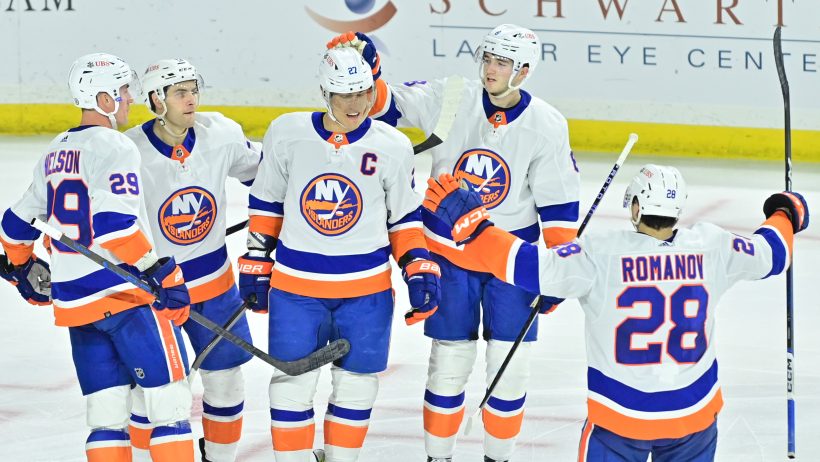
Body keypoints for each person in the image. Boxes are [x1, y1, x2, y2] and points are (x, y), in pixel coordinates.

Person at [422, 166, 809, 461]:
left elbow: (527, 267)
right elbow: (773, 254)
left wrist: (475, 226)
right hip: (693, 416)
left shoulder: (599, 253)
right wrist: (786, 212)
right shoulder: (713, 246)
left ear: (636, 207)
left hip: (619, 419)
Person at [327, 25, 581, 462]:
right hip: (449, 257)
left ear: (524, 70)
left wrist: (556, 268)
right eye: (488, 59)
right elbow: (387, 105)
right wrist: (368, 67)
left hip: (509, 262)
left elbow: (558, 205)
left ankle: (498, 458)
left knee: (510, 372)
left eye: (502, 63)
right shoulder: (452, 96)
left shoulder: (546, 124)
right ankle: (438, 458)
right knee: (448, 365)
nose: (490, 69)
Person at [238, 46, 440, 462]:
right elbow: (267, 200)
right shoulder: (287, 133)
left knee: (357, 386)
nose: (356, 103)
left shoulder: (393, 145)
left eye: (363, 92)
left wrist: (417, 266)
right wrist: (256, 260)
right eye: (345, 94)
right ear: (325, 94)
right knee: (291, 384)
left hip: (366, 292)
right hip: (297, 290)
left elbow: (404, 218)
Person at [0, 53, 195, 461]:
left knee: (106, 418)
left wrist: (22, 267)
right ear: (104, 99)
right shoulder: (115, 145)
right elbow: (114, 226)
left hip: (77, 307)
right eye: (123, 91)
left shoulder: (56, 150)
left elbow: (14, 225)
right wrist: (160, 272)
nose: (130, 99)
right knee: (170, 408)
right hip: (126, 299)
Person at [124, 58, 261, 462]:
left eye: (194, 90)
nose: (191, 100)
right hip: (155, 293)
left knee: (227, 383)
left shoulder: (221, 133)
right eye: (179, 92)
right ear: (156, 99)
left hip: (216, 286)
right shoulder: (129, 152)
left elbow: (266, 174)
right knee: (152, 391)